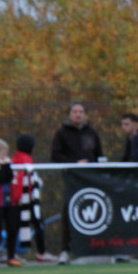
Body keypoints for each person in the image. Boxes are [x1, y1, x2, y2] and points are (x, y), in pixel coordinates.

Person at [50, 102, 103, 264]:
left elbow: (99, 154)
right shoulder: (61, 133)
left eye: (81, 111)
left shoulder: (92, 133)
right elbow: (55, 156)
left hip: (91, 179)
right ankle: (65, 250)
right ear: (70, 114)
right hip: (72, 180)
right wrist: (74, 163)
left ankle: (92, 248)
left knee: (96, 211)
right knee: (69, 213)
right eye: (75, 111)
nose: (78, 114)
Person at [12, 134, 54, 262]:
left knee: (17, 225)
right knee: (37, 224)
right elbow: (27, 179)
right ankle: (41, 252)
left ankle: (12, 253)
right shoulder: (26, 159)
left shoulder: (16, 158)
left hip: (18, 197)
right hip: (27, 199)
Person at [0, 138, 21, 267]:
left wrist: (6, 165)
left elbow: (10, 177)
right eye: (3, 153)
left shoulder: (8, 165)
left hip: (10, 201)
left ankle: (11, 256)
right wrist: (4, 166)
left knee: (12, 228)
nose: (6, 156)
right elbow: (0, 178)